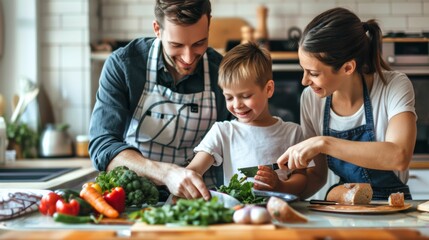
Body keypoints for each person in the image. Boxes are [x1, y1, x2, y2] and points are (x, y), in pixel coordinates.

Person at [88, 0, 232, 201]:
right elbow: (103, 145)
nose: (188, 58)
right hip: (135, 198)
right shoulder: (125, 65)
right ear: (157, 29)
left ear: (209, 25)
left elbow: (240, 137)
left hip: (203, 199)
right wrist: (167, 174)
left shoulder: (222, 71)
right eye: (176, 45)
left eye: (199, 43)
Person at [276, 7, 417, 200]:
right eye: (304, 70)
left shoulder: (392, 86)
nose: (304, 81)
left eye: (314, 73)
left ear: (348, 67)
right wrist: (279, 190)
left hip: (392, 209)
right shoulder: (310, 98)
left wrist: (323, 143)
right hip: (344, 203)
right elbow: (317, 177)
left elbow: (399, 156)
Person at [186, 42, 307, 196]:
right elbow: (195, 169)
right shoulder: (222, 132)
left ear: (268, 89)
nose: (237, 105)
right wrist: (185, 178)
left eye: (246, 96)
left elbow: (301, 177)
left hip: (277, 210)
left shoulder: (293, 133)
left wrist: (280, 186)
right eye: (229, 97)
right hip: (236, 213)